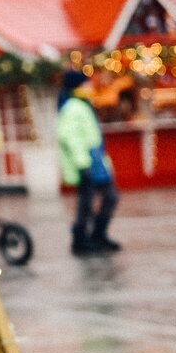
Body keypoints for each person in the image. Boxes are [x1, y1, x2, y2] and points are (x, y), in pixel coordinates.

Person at [57, 69, 120, 256]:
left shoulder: (83, 105)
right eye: (86, 83)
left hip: (95, 160)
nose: (90, 86)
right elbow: (70, 137)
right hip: (86, 162)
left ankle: (97, 234)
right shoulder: (73, 108)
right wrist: (82, 163)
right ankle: (82, 239)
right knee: (87, 202)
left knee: (108, 197)